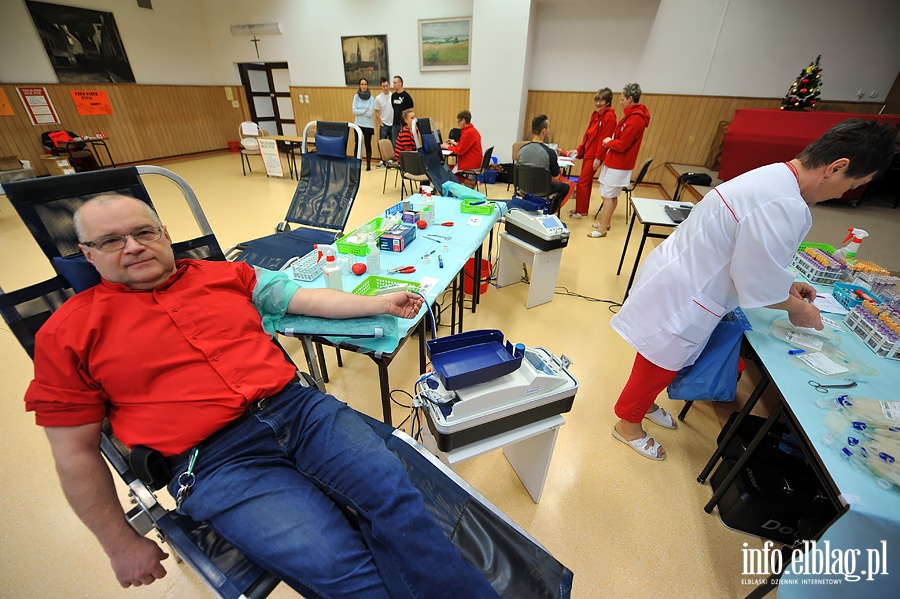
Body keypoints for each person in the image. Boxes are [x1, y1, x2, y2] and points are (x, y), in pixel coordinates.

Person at [24, 194, 500, 598]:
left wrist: (379, 302)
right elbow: (74, 452)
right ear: (87, 255)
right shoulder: (66, 333)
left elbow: (302, 299)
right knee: (334, 562)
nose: (132, 247)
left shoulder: (225, 275)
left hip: (301, 410)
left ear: (165, 233)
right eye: (110, 241)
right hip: (213, 460)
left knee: (398, 500)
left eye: (143, 232)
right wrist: (119, 543)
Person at [608, 119, 897, 461]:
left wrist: (787, 284)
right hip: (688, 291)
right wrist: (797, 308)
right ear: (836, 168)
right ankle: (627, 424)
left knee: (665, 358)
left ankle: (642, 405)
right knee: (659, 360)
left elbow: (749, 251)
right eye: (852, 186)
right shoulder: (783, 203)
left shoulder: (776, 176)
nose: (843, 194)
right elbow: (755, 281)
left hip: (687, 277)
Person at [592, 82, 651, 237]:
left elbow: (623, 144)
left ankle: (602, 228)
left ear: (631, 99)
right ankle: (607, 222)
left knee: (608, 195)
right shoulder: (630, 116)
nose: (620, 101)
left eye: (623, 98)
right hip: (615, 161)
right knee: (610, 194)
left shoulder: (636, 119)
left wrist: (608, 142)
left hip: (620, 163)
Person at [572, 87, 616, 219]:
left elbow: (604, 139)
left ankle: (581, 211)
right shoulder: (595, 115)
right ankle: (581, 209)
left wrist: (598, 158)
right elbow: (587, 136)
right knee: (586, 182)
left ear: (607, 102)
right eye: (597, 100)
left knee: (582, 182)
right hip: (588, 153)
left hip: (595, 155)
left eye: (601, 100)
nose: (598, 103)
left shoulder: (609, 117)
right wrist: (579, 151)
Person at [517, 114, 575, 213]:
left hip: (523, 187)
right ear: (544, 131)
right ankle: (549, 212)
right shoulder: (550, 152)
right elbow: (555, 178)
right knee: (565, 187)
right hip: (543, 189)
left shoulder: (521, 150)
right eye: (548, 128)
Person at [441, 110, 483, 187]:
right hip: (474, 160)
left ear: (463, 120)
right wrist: (455, 143)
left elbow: (459, 151)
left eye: (459, 121)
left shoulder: (468, 133)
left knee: (447, 170)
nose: (458, 123)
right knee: (448, 168)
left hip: (470, 163)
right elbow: (465, 146)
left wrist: (447, 146)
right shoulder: (472, 130)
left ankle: (470, 182)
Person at [352, 78, 376, 171]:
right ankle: (356, 164)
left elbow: (370, 113)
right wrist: (364, 110)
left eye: (365, 84)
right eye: (362, 84)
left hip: (368, 125)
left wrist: (360, 111)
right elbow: (354, 111)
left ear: (367, 85)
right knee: (357, 144)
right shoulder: (356, 97)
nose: (364, 86)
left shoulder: (371, 98)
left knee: (367, 144)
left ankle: (368, 164)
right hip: (358, 124)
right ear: (359, 85)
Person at [373, 77, 393, 167]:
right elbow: (376, 112)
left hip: (393, 123)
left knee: (392, 142)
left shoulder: (393, 96)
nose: (386, 87)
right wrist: (381, 123)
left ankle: (391, 160)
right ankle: (382, 160)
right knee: (382, 142)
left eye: (387, 86)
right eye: (384, 86)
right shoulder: (378, 98)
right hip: (384, 123)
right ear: (381, 87)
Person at [390, 75, 414, 146]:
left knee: (404, 144)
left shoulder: (406, 96)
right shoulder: (393, 96)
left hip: (403, 125)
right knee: (395, 144)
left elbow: (411, 109)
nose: (393, 85)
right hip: (395, 123)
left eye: (395, 83)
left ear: (400, 84)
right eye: (393, 83)